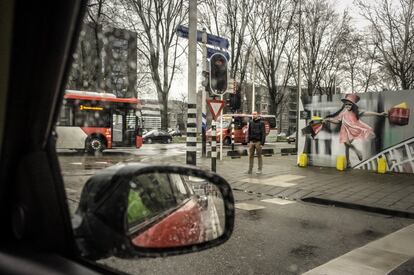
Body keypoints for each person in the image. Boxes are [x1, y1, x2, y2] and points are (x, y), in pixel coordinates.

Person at [323, 94, 387, 166]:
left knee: (348, 145)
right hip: (345, 131)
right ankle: (349, 162)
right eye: (346, 104)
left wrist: (379, 114)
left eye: (349, 104)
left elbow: (367, 113)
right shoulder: (343, 113)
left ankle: (356, 155)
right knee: (347, 145)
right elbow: (337, 121)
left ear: (353, 105)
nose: (347, 106)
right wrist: (328, 120)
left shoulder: (355, 112)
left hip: (353, 130)